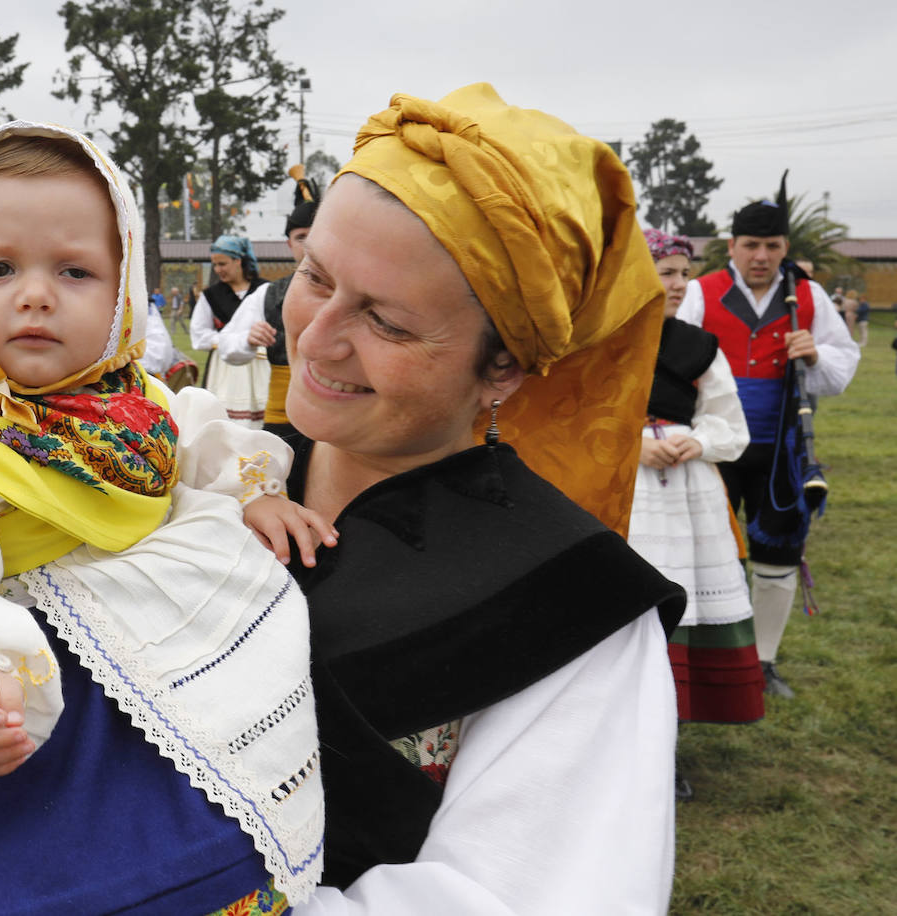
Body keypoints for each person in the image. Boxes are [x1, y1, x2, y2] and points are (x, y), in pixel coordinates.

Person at [0, 121, 330, 913]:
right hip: (14, 709)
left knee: (191, 852)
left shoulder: (135, 404)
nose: (36, 292)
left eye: (75, 271)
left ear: (122, 290)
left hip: (157, 689)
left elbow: (205, 438)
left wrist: (255, 490)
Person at [272, 86, 686, 913]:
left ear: (501, 371)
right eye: (313, 276)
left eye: (386, 322)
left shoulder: (569, 605)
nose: (315, 339)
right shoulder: (212, 474)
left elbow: (526, 895)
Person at [678, 172, 860, 698]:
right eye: (751, 245)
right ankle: (704, 658)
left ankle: (763, 660)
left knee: (777, 558)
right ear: (731, 246)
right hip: (711, 446)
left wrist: (816, 352)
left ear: (785, 247)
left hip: (780, 449)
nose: (761, 255)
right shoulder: (700, 293)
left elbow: (842, 367)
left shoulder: (808, 295)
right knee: (706, 555)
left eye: (772, 245)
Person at [631, 229, 760, 802]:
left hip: (685, 500)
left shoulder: (697, 346)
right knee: (628, 615)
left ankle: (668, 747)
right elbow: (569, 418)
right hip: (623, 493)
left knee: (678, 613)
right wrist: (629, 445)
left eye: (684, 273)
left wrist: (697, 441)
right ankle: (619, 745)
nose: (680, 284)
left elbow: (730, 424)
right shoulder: (597, 342)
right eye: (667, 273)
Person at [218, 166, 319, 441]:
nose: (310, 244)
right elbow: (226, 344)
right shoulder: (268, 294)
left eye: (317, 233)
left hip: (340, 417)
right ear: (289, 244)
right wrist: (249, 339)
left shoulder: (354, 290)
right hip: (282, 416)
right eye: (301, 237)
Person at [190, 236, 270, 427]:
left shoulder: (265, 290)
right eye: (215, 264)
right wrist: (230, 340)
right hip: (224, 367)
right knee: (226, 424)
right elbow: (199, 334)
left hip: (262, 365)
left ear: (238, 261)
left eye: (222, 263)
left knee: (265, 423)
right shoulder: (211, 296)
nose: (218, 270)